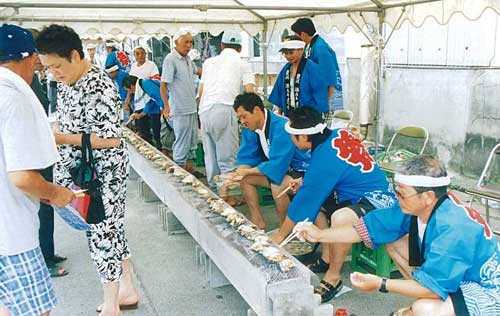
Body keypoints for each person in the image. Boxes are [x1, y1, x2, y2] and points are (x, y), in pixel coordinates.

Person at [297, 155, 500, 316]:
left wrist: (381, 283)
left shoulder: (453, 227)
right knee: (392, 240)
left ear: (427, 196)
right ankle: (428, 300)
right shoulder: (421, 207)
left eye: (402, 193)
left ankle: (431, 307)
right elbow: (364, 229)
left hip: (486, 290)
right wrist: (320, 235)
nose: (396, 197)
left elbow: (433, 288)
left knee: (425, 309)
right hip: (456, 275)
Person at [36, 24, 138, 316]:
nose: (53, 73)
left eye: (56, 66)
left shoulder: (100, 85)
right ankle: (127, 289)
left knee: (102, 233)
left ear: (75, 54)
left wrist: (60, 138)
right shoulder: (66, 82)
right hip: (81, 172)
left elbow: (111, 138)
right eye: (47, 68)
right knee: (112, 229)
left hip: (102, 175)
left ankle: (111, 304)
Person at [272, 106, 396, 303]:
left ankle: (334, 277)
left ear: (303, 138)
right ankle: (328, 257)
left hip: (378, 200)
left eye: (293, 136)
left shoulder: (324, 156)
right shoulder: (338, 133)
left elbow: (306, 200)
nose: (291, 140)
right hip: (356, 194)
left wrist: (279, 236)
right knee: (317, 206)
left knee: (340, 217)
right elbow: (340, 169)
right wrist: (307, 180)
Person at [0, 23, 75, 316]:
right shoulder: (13, 98)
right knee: (34, 311)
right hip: (11, 234)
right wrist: (54, 192)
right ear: (31, 59)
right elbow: (21, 177)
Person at [228, 93, 309, 230]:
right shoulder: (251, 128)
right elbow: (247, 157)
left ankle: (286, 230)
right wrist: (240, 173)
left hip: (301, 172)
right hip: (278, 171)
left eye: (244, 116)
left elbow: (277, 165)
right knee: (245, 179)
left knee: (278, 185)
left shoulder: (282, 126)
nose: (242, 121)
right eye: (240, 118)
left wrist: (246, 171)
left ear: (257, 111)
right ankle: (257, 222)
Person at [29, 28, 69, 278]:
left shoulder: (32, 77)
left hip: (41, 149)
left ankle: (48, 252)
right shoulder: (17, 82)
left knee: (45, 209)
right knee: (39, 206)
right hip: (32, 154)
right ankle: (42, 260)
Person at [198, 30, 255, 190]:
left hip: (204, 110)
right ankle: (227, 195)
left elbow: (201, 91)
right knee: (228, 156)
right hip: (225, 107)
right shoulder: (243, 63)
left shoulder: (208, 62)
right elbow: (250, 91)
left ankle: (214, 192)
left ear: (222, 45)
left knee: (211, 155)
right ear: (240, 48)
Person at [160, 28, 200, 174]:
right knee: (182, 142)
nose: (189, 45)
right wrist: (166, 106)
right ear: (176, 42)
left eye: (191, 42)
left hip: (191, 107)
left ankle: (189, 171)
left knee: (192, 142)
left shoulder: (188, 59)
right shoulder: (171, 59)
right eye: (186, 42)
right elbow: (164, 85)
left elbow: (197, 72)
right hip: (180, 108)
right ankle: (179, 174)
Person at [291, 18, 343, 112]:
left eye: (296, 35)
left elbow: (331, 80)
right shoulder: (312, 46)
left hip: (327, 97)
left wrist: (323, 103)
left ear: (302, 34)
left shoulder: (320, 48)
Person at [268, 35, 328, 116]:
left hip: (308, 115)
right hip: (289, 114)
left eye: (291, 52)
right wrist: (280, 112)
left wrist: (315, 115)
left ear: (301, 50)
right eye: (285, 53)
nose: (288, 56)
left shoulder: (312, 68)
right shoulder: (286, 69)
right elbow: (280, 92)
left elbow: (320, 94)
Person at [122, 75, 163, 149]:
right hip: (155, 109)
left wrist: (166, 109)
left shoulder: (145, 84)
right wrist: (141, 114)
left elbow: (156, 98)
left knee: (157, 129)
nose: (130, 92)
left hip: (159, 109)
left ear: (132, 86)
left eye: (129, 90)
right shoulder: (142, 86)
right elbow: (148, 100)